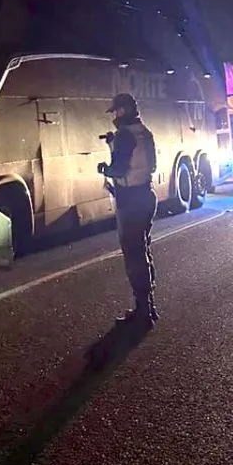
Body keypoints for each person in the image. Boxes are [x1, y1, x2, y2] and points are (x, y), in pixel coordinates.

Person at [98, 92, 159, 325]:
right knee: (143, 250)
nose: (113, 115)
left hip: (130, 200)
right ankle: (149, 306)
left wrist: (104, 168)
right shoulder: (145, 132)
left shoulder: (124, 136)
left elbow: (119, 169)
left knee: (134, 256)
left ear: (122, 111)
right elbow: (147, 163)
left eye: (115, 111)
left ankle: (143, 311)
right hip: (146, 194)